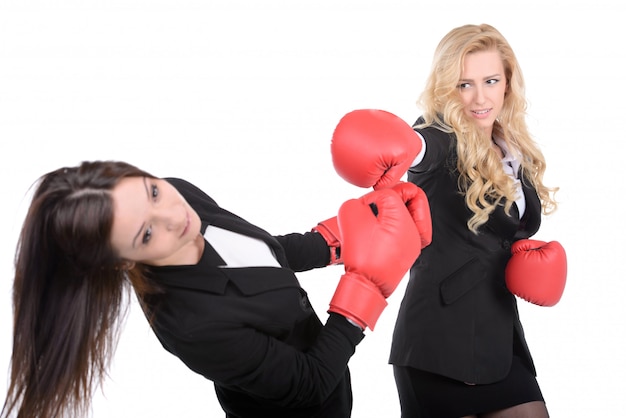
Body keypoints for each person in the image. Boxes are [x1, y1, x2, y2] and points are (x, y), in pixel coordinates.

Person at [1, 160, 432, 418]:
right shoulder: (193, 326)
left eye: (152, 191)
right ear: (123, 261)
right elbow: (310, 383)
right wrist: (366, 287)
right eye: (147, 235)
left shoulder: (180, 195)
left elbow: (261, 251)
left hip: (337, 384)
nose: (173, 216)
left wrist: (347, 234)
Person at [329, 24, 566, 417]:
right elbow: (422, 149)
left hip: (499, 341)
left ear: (507, 82)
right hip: (439, 342)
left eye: (490, 80)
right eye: (464, 84)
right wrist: (403, 145)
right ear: (447, 89)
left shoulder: (512, 148)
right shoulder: (439, 135)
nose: (479, 97)